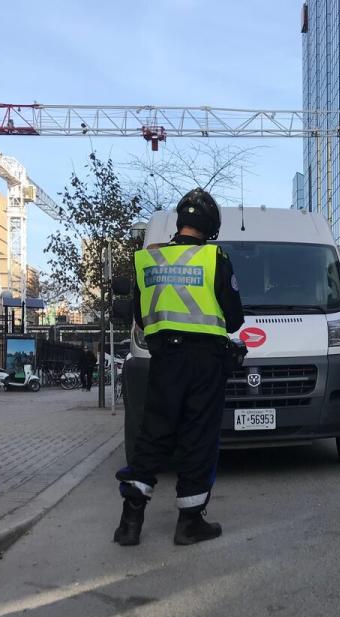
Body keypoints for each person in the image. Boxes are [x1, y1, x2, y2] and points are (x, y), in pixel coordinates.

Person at [114, 188, 244, 546]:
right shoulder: (215, 259)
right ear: (211, 227)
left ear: (180, 222)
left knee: (153, 435)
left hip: (165, 362)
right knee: (198, 439)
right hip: (205, 364)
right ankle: (189, 523)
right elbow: (234, 319)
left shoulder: (150, 261)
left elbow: (141, 316)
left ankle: (130, 522)